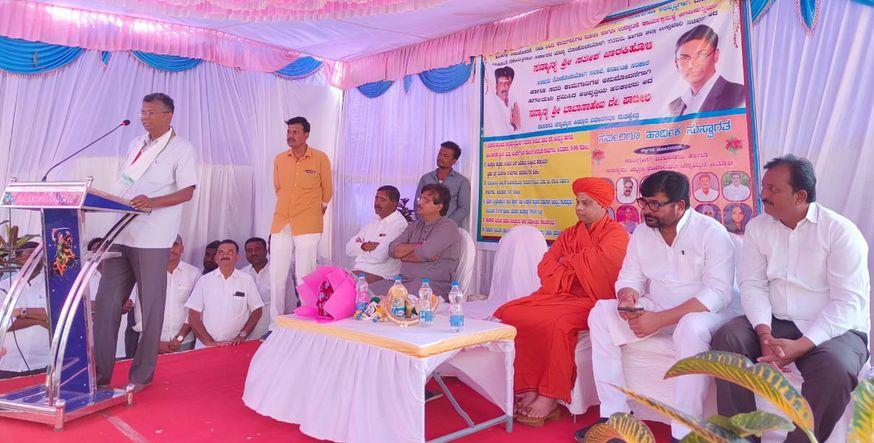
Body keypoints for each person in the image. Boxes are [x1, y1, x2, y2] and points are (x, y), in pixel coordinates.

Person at [711, 155, 869, 443]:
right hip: (777, 320)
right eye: (763, 187)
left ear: (800, 196)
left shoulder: (840, 231)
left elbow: (847, 303)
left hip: (836, 329)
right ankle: (739, 438)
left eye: (773, 189)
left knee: (835, 369)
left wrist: (803, 345)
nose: (763, 195)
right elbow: (753, 285)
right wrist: (764, 333)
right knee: (728, 338)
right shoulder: (758, 227)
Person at [574, 171, 736, 442]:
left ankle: (686, 431)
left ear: (679, 205)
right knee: (601, 313)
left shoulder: (711, 233)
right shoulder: (642, 233)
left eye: (655, 204)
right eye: (644, 202)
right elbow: (630, 277)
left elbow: (718, 293)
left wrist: (659, 320)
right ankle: (615, 416)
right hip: (657, 305)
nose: (646, 210)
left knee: (690, 327)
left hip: (706, 313)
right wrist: (627, 299)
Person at [494, 178, 629, 426]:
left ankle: (549, 395)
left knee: (556, 323)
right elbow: (546, 266)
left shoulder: (617, 235)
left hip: (594, 300)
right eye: (577, 202)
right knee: (513, 314)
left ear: (603, 205)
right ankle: (529, 387)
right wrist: (577, 265)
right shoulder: (570, 234)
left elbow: (602, 269)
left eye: (586, 203)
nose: (579, 208)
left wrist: (567, 263)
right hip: (560, 295)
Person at [93, 92, 197, 392]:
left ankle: (141, 376)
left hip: (153, 237)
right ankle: (98, 375)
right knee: (107, 305)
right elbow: (126, 184)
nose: (145, 118)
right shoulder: (136, 144)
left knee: (150, 309)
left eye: (151, 113)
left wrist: (153, 201)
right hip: (122, 232)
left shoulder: (182, 148)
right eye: (142, 112)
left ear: (168, 115)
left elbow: (188, 191)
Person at [269, 116, 332, 330]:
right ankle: (275, 324)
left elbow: (327, 191)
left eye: (295, 132)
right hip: (281, 222)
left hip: (308, 222)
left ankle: (307, 324)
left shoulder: (320, 158)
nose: (290, 135)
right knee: (276, 276)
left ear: (306, 135)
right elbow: (278, 188)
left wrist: (316, 209)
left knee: (305, 275)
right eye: (289, 131)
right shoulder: (280, 159)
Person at [369, 184, 460, 299]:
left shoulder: (448, 226)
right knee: (366, 292)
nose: (420, 202)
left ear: (439, 207)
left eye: (426, 200)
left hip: (431, 286)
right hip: (402, 282)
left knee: (395, 301)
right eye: (420, 198)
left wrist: (404, 255)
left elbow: (425, 253)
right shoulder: (415, 225)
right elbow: (392, 249)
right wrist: (421, 245)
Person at [185, 240, 264, 349]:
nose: (225, 255)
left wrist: (242, 336)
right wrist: (210, 342)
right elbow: (193, 316)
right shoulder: (204, 281)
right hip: (206, 347)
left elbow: (257, 311)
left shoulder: (247, 280)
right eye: (221, 252)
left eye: (230, 252)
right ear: (216, 258)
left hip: (236, 346)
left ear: (237, 257)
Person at [668, 24, 745, 116]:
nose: (691, 65)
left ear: (716, 55)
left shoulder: (739, 95)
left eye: (701, 55)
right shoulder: (673, 107)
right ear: (676, 64)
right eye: (684, 58)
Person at [0, 242, 50, 379]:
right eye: (28, 256)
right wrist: (38, 321)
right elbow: (4, 322)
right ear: (16, 259)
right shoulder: (4, 287)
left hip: (44, 362)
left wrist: (23, 312)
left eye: (37, 256)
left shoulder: (52, 286)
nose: (34, 261)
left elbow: (53, 315)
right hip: (7, 363)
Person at [345, 185, 409, 283]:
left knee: (342, 285)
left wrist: (361, 249)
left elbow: (380, 255)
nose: (377, 203)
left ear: (394, 204)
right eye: (376, 198)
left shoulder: (399, 224)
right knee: (329, 280)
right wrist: (364, 246)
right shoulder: (374, 220)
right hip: (360, 269)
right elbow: (349, 249)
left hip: (380, 274)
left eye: (382, 200)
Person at [154, 234, 200, 353]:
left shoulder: (194, 273)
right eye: (167, 244)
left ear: (182, 248)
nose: (171, 249)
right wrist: (154, 342)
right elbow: (141, 310)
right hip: (151, 342)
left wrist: (180, 338)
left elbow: (195, 310)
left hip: (184, 342)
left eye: (175, 244)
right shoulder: (149, 272)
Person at [415, 141, 471, 231]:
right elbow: (417, 203)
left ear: (454, 161)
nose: (440, 157)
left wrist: (445, 224)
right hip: (425, 228)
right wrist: (424, 223)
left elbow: (463, 208)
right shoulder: (426, 178)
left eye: (445, 155)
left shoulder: (461, 181)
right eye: (440, 154)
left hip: (448, 229)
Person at [241, 237, 273, 340]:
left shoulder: (276, 271)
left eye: (257, 249)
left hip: (272, 331)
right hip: (247, 334)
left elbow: (289, 303)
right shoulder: (242, 274)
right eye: (249, 251)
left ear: (266, 251)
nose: (253, 253)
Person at [483, 66, 521, 136]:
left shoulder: (511, 105)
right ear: (496, 86)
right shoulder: (492, 107)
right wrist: (516, 126)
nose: (504, 87)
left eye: (507, 83)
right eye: (501, 83)